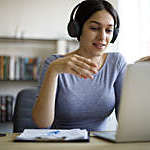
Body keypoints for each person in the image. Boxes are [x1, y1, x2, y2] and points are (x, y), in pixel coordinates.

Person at [32, 0, 127, 131]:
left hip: (100, 144)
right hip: (61, 143)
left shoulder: (116, 63)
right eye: (94, 28)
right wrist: (53, 71)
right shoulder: (54, 63)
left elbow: (127, 120)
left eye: (109, 30)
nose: (102, 37)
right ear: (77, 29)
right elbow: (42, 123)